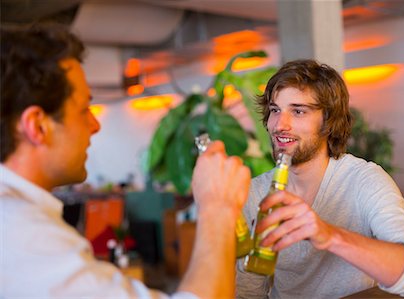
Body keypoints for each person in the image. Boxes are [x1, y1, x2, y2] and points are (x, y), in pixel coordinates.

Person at [0, 23, 251, 298]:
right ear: (37, 126)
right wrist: (218, 208)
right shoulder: (25, 235)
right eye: (84, 110)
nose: (95, 125)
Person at [236, 59, 404, 298]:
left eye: (298, 111)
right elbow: (248, 292)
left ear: (328, 120)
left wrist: (329, 235)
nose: (280, 125)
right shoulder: (255, 193)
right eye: (275, 110)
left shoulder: (364, 181)